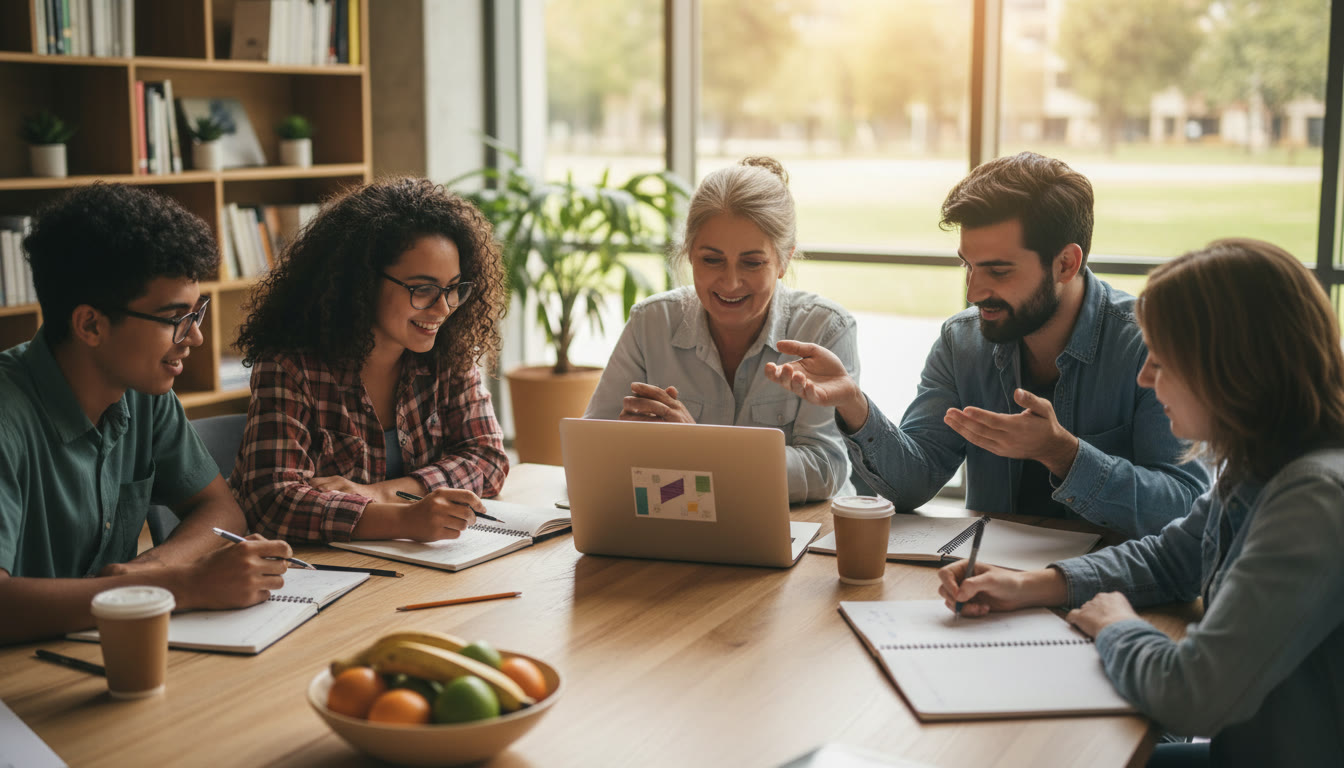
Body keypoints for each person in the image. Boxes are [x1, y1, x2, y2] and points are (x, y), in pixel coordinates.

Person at [937, 239, 1344, 767]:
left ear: (1232, 366)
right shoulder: (1263, 461)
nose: (1144, 378)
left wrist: (1116, 627)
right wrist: (1033, 585)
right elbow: (1170, 558)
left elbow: (1192, 695)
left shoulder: (1314, 499)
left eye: (1161, 359)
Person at [765, 152, 1208, 536]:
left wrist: (1062, 453)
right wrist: (854, 404)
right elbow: (914, 483)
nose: (974, 293)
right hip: (992, 589)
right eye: (967, 266)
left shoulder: (1149, 344)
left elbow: (1186, 507)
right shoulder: (962, 343)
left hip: (1117, 592)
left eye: (998, 271)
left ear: (1066, 264)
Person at [0, 184, 294, 645]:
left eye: (198, 311)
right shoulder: (7, 417)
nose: (195, 337)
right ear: (90, 325)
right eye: (176, 317)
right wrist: (182, 585)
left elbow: (220, 509)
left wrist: (148, 571)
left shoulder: (143, 393)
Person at [231, 178, 509, 543]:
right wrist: (403, 521)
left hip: (417, 568)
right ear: (359, 283)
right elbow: (270, 502)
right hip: (323, 574)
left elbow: (488, 458)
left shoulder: (448, 354)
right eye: (422, 289)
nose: (444, 308)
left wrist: (382, 493)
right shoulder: (292, 366)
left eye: (454, 288)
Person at [584, 157, 858, 503]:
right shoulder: (650, 322)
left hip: (805, 534)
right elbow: (592, 454)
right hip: (681, 519)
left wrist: (699, 451)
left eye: (752, 262)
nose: (730, 283)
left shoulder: (825, 328)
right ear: (689, 255)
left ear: (784, 260)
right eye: (711, 260)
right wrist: (621, 446)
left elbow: (824, 469)